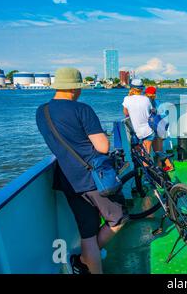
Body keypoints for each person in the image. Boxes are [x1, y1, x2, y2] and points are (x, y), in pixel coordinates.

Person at [36, 68, 127, 274]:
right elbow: (102, 147)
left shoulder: (42, 112)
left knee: (87, 233)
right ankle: (86, 258)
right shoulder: (82, 109)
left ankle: (87, 263)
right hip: (95, 179)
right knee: (118, 218)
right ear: (75, 88)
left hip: (68, 179)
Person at [145, 86, 174, 171]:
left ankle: (152, 169)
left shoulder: (147, 103)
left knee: (150, 150)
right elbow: (165, 115)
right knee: (158, 150)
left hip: (152, 129)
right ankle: (167, 166)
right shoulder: (159, 103)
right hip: (161, 128)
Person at [122, 79, 154, 154]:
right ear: (142, 89)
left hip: (136, 131)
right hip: (148, 130)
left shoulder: (127, 99)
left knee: (138, 155)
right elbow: (151, 111)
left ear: (131, 88)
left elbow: (126, 113)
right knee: (146, 154)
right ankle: (147, 165)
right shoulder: (146, 99)